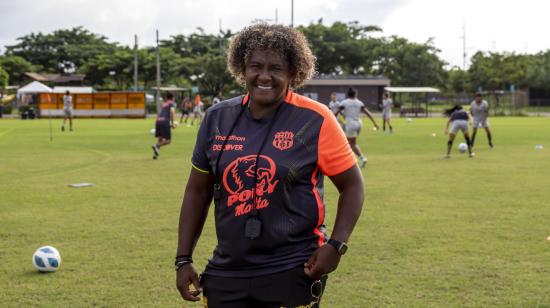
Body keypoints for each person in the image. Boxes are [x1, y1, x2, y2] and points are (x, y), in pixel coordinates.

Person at [176, 23, 365, 308]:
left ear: (293, 72)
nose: (264, 76)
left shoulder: (316, 119)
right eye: (255, 66)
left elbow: (352, 186)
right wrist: (183, 258)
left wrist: (336, 246)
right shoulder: (217, 118)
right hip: (227, 270)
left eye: (276, 68)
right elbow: (197, 193)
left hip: (293, 267)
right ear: (242, 68)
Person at [334, 88, 379, 168]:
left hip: (350, 124)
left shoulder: (344, 102)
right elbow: (368, 113)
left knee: (351, 144)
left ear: (348, 94)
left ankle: (362, 158)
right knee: (349, 143)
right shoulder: (359, 102)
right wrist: (375, 123)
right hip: (359, 124)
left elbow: (336, 113)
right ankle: (350, 159)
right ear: (355, 94)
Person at [152, 92, 177, 160]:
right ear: (173, 98)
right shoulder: (172, 103)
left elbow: (160, 113)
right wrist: (172, 123)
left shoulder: (164, 104)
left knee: (160, 139)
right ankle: (156, 145)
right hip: (165, 121)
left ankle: (155, 155)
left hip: (158, 121)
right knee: (168, 141)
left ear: (166, 98)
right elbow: (172, 112)